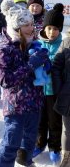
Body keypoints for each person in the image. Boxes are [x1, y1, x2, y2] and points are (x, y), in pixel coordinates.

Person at [0, 0, 50, 167]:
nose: (31, 28)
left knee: (30, 140)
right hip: (15, 106)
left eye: (31, 24)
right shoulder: (4, 48)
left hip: (34, 101)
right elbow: (5, 80)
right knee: (11, 144)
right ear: (16, 27)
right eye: (26, 25)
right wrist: (31, 64)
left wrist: (45, 62)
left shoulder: (33, 43)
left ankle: (26, 160)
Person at [32, 3, 64, 163]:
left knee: (54, 121)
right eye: (49, 28)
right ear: (44, 27)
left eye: (56, 29)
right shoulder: (37, 43)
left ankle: (55, 147)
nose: (52, 32)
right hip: (38, 90)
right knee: (39, 119)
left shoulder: (63, 45)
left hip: (54, 91)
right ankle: (39, 143)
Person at [52, 36, 70, 167]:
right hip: (68, 95)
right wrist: (60, 88)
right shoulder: (67, 42)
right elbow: (56, 66)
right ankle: (67, 156)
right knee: (68, 130)